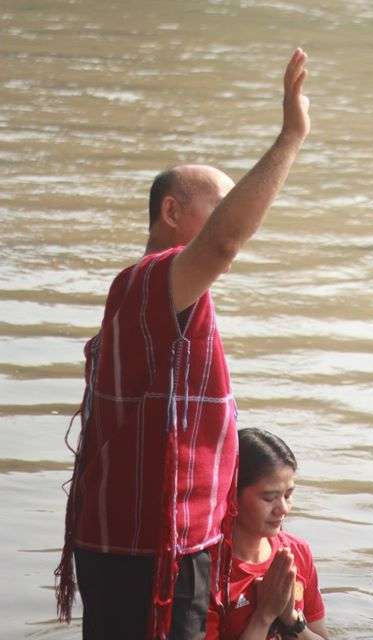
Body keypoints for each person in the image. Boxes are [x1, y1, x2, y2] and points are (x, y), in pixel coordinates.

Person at [54, 48, 312, 639]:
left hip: (134, 545)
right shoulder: (152, 279)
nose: (234, 221)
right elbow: (224, 243)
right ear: (171, 212)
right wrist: (292, 136)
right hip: (149, 555)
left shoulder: (156, 294)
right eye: (217, 206)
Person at [205, 428, 330, 640]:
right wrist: (264, 615)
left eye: (288, 495)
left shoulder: (297, 552)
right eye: (269, 497)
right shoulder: (206, 571)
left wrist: (291, 619)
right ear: (232, 495)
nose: (283, 508)